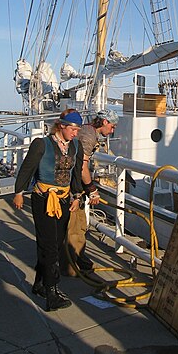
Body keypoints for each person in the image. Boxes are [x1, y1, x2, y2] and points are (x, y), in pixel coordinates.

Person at [13, 109, 84, 311]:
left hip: (63, 200)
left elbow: (76, 173)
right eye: (73, 129)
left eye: (77, 129)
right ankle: (52, 293)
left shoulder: (76, 146)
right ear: (61, 126)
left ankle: (39, 284)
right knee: (49, 245)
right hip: (43, 198)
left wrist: (77, 196)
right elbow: (27, 168)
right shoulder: (41, 144)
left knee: (55, 242)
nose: (76, 133)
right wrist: (19, 192)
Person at [64, 109, 119, 275]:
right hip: (72, 186)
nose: (113, 130)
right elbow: (82, 167)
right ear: (104, 122)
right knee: (75, 226)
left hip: (72, 185)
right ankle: (71, 266)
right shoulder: (89, 136)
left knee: (80, 224)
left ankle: (79, 258)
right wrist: (91, 189)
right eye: (113, 126)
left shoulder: (87, 131)